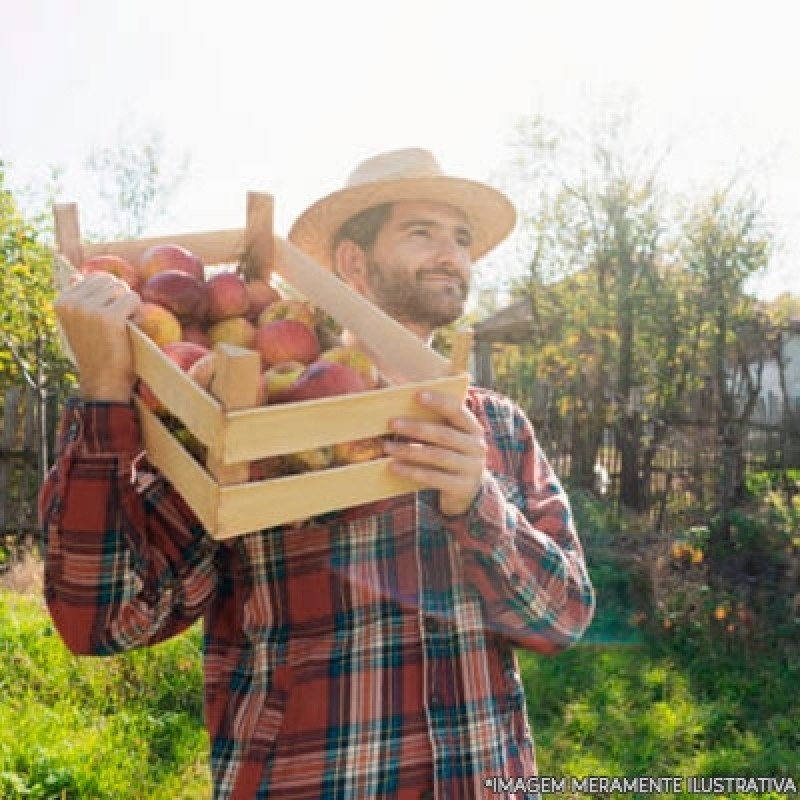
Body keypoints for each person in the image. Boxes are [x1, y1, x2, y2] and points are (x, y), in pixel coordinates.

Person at [40, 147, 595, 800]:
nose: (451, 253)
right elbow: (103, 618)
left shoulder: (497, 429)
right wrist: (105, 393)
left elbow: (564, 618)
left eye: (462, 238)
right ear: (353, 262)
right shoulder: (249, 418)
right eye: (422, 232)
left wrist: (478, 505)